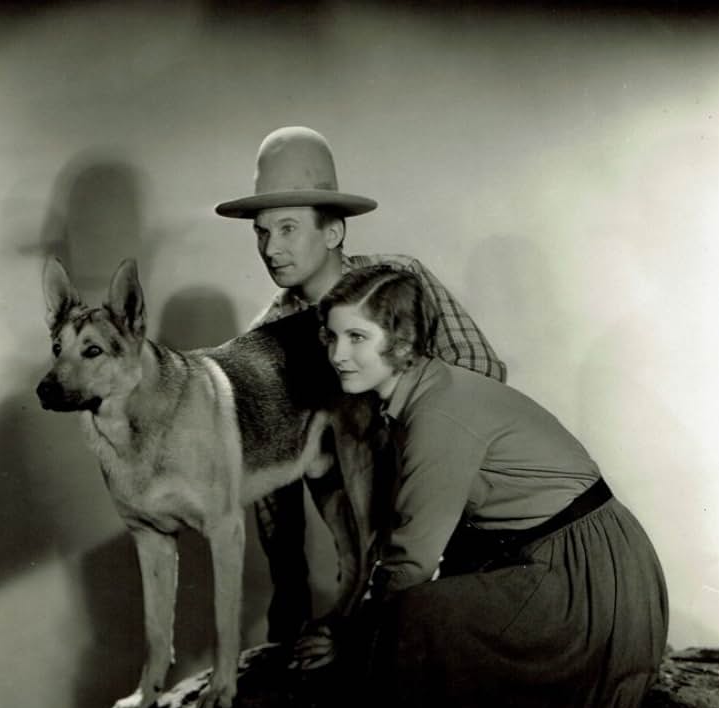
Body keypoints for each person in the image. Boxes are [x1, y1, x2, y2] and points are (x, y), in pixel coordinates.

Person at [313, 264, 669, 708]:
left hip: (587, 581)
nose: (338, 355)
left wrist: (348, 637)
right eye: (332, 337)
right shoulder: (416, 399)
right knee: (420, 636)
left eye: (356, 337)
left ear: (404, 338)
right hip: (560, 568)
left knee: (415, 625)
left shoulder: (439, 411)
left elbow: (412, 561)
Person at [215, 126, 506, 645]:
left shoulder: (401, 277)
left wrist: (413, 449)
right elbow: (271, 491)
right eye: (260, 232)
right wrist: (290, 598)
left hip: (457, 505)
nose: (270, 248)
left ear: (333, 232)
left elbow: (481, 370)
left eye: (286, 229)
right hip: (370, 557)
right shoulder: (266, 340)